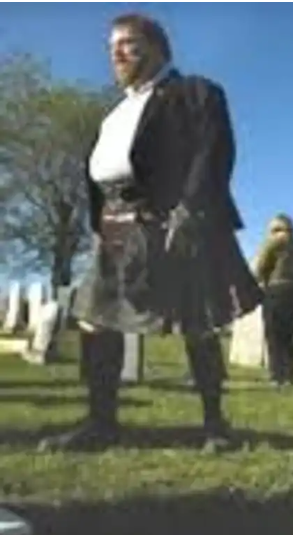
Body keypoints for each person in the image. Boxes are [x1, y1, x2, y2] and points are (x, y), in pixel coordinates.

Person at [38, 13, 263, 453]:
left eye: (128, 44)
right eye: (112, 47)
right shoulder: (117, 111)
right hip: (116, 225)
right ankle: (101, 424)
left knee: (196, 322)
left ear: (158, 49)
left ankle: (216, 426)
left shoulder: (194, 92)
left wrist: (190, 212)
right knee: (94, 318)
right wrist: (98, 225)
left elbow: (213, 152)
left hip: (171, 220)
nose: (116, 53)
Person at [255, 214, 293, 389]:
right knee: (289, 337)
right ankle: (289, 376)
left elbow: (260, 266)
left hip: (276, 291)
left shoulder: (273, 242)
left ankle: (276, 376)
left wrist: (257, 284)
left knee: (273, 336)